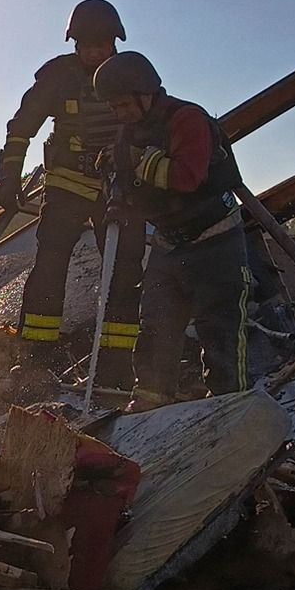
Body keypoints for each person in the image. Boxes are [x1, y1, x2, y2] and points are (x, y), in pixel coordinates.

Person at [0, 0, 146, 386]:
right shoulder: (58, 76)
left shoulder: (133, 74)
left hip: (119, 186)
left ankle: (117, 363)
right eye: (85, 45)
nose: (93, 53)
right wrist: (9, 176)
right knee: (50, 264)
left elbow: (154, 124)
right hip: (66, 184)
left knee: (124, 270)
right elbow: (21, 127)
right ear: (74, 43)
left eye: (101, 45)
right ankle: (35, 359)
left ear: (115, 42)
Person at [92, 50, 252, 412]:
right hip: (168, 244)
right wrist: (116, 188)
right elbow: (133, 183)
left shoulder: (187, 119)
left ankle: (230, 409)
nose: (119, 114)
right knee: (155, 328)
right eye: (114, 107)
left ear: (145, 93)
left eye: (123, 105)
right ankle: (149, 404)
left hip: (214, 242)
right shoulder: (130, 131)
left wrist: (139, 161)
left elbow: (186, 177)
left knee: (220, 330)